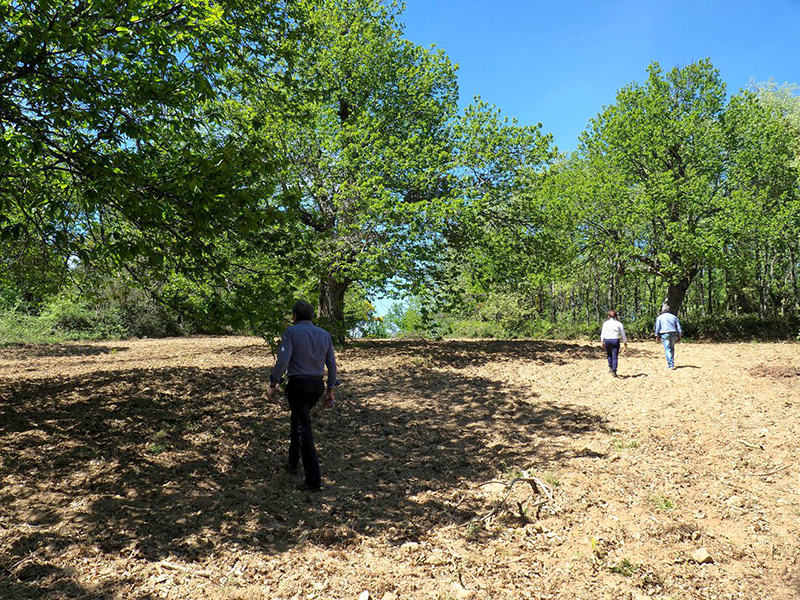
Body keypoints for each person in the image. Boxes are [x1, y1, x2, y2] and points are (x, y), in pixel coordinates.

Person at [266, 300, 338, 491]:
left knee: (303, 428)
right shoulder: (324, 335)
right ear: (312, 316)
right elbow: (331, 364)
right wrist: (330, 389)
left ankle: (313, 479)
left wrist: (273, 383)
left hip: (298, 384)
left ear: (294, 316)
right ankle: (292, 461)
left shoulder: (291, 332)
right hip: (317, 386)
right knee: (298, 419)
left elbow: (283, 360)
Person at [653, 302, 682, 370]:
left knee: (667, 349)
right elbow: (679, 327)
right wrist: (680, 335)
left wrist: (656, 335)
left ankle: (670, 364)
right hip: (674, 333)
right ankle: (671, 362)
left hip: (665, 334)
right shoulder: (674, 317)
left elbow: (657, 327)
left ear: (662, 310)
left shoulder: (659, 318)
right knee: (672, 348)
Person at [600, 309, 627, 377]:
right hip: (615, 340)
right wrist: (625, 341)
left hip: (607, 340)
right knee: (615, 356)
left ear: (608, 316)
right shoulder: (619, 323)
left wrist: (602, 341)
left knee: (609, 354)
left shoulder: (605, 323)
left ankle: (611, 367)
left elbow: (603, 333)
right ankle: (614, 371)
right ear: (616, 316)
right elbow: (622, 333)